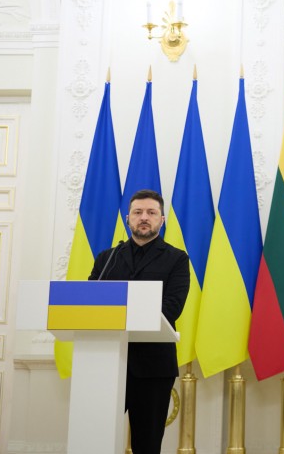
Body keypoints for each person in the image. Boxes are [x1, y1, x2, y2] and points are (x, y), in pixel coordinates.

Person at [89, 189, 189, 454]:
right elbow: (90, 303)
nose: (144, 217)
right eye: (138, 212)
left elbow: (172, 307)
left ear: (162, 220)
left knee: (147, 445)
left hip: (153, 366)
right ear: (128, 218)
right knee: (96, 440)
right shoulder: (107, 258)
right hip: (107, 362)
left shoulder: (177, 259)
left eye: (151, 212)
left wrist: (124, 316)